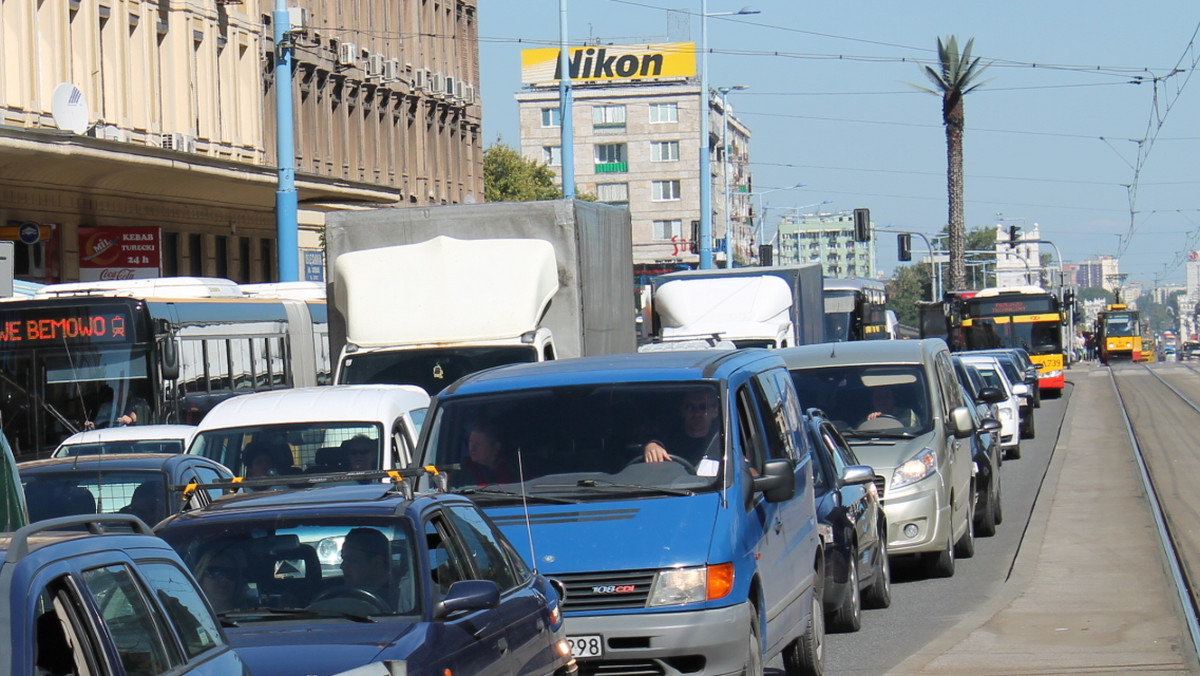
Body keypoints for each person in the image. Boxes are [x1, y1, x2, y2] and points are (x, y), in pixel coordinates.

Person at [643, 389, 721, 466]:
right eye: (690, 407)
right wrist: (651, 446)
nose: (697, 413)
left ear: (715, 411)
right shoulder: (668, 439)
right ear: (682, 411)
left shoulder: (723, 441)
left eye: (703, 407)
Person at [340, 527, 397, 610]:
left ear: (377, 562)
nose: (342, 566)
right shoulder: (336, 597)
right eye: (343, 559)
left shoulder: (401, 603)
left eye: (352, 560)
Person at [195, 546, 247, 613]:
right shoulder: (185, 617)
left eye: (230, 573)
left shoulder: (250, 617)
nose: (224, 580)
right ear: (201, 577)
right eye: (215, 572)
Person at [462, 420, 514, 485]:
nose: (472, 449)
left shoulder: (513, 469)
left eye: (478, 444)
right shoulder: (464, 470)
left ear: (496, 447)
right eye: (471, 442)